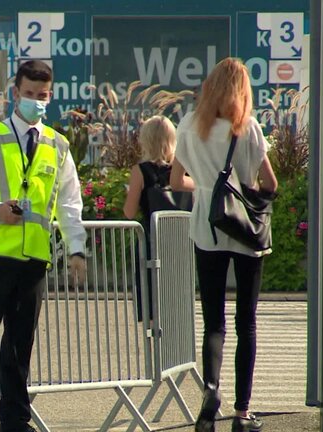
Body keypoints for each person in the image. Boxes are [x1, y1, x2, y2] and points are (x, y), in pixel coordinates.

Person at [0, 60, 87, 432]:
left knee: (19, 346)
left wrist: (76, 249)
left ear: (50, 95)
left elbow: (69, 204)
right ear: (15, 94)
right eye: (29, 95)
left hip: (32, 259)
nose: (36, 102)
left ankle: (15, 420)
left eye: (42, 96)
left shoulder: (58, 146)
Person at [169, 58, 278, 432]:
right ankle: (243, 411)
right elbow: (270, 184)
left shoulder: (188, 126)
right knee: (246, 321)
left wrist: (205, 187)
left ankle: (210, 392)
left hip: (206, 228)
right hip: (244, 231)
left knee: (213, 322)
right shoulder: (247, 128)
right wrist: (240, 188)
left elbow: (175, 179)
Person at [123, 115, 191, 322]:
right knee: (177, 301)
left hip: (151, 243)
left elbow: (129, 212)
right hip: (180, 240)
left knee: (151, 299)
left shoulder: (140, 172)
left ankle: (154, 350)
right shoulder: (183, 172)